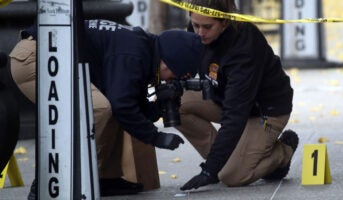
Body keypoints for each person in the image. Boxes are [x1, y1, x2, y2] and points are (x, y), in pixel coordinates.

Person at [9, 19, 203, 197]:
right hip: (36, 58)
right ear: (167, 59)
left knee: (109, 104)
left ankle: (101, 179)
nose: (170, 81)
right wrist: (156, 137)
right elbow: (122, 106)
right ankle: (55, 177)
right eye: (173, 76)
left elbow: (134, 109)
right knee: (100, 108)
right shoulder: (134, 52)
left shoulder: (146, 51)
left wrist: (160, 104)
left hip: (51, 56)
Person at [176, 0, 299, 191]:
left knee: (232, 176)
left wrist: (209, 171)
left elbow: (235, 116)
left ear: (225, 22)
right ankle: (229, 158)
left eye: (207, 27)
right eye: (195, 25)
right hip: (224, 97)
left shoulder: (244, 48)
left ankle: (283, 153)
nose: (199, 33)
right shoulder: (200, 29)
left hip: (264, 111)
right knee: (174, 102)